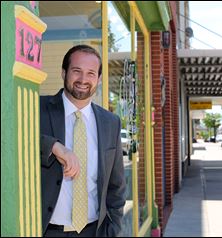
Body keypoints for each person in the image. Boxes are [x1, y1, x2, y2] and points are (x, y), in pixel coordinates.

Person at [40, 44, 126, 237]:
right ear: (63, 73)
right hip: (48, 231)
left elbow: (117, 185)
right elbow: (14, 138)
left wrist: (112, 230)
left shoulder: (110, 122)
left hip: (93, 231)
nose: (83, 80)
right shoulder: (39, 108)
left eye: (91, 73)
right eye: (76, 71)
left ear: (99, 79)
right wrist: (53, 146)